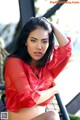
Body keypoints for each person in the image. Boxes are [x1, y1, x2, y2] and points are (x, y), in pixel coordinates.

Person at [4, 17, 72, 120]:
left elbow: (67, 50)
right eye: (33, 40)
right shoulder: (14, 63)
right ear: (26, 41)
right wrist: (54, 90)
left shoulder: (48, 69)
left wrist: (50, 25)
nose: (39, 47)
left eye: (44, 41)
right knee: (52, 115)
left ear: (49, 44)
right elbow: (28, 98)